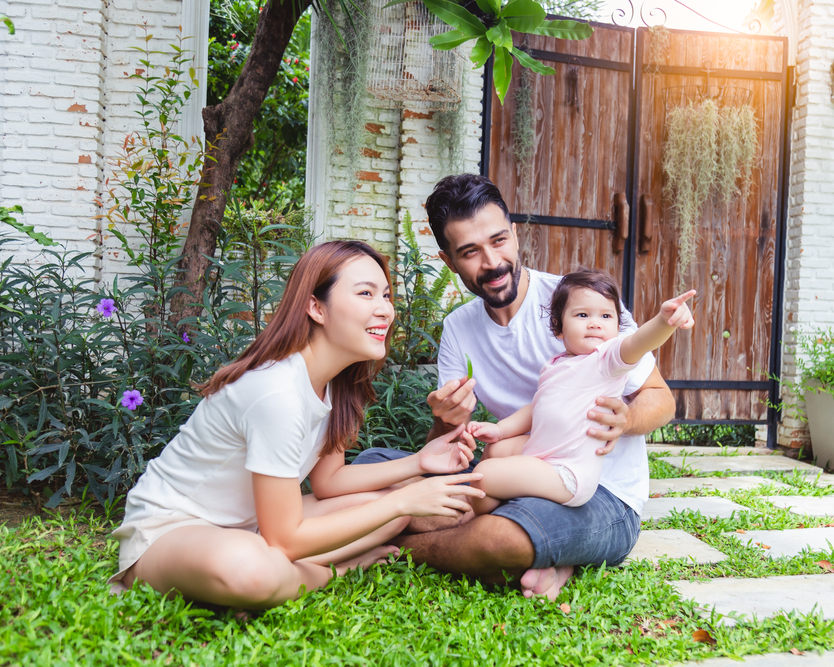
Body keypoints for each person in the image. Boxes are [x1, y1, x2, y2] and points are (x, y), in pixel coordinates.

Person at [109, 240, 484, 609]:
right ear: (315, 308)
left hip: (252, 528)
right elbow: (286, 537)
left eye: (386, 295)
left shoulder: (333, 382)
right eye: (366, 293)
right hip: (169, 532)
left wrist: (418, 463)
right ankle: (326, 573)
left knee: (385, 512)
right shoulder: (276, 392)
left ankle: (279, 576)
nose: (385, 309)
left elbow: (328, 482)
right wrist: (405, 499)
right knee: (249, 569)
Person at [353, 174, 676, 602]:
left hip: (598, 494)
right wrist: (444, 421)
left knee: (501, 538)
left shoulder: (580, 306)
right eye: (470, 252)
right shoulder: (459, 328)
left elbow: (662, 399)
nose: (492, 262)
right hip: (514, 474)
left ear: (515, 234)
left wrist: (627, 417)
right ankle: (544, 556)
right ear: (449, 262)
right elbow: (446, 448)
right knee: (367, 468)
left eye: (499, 240)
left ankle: (393, 543)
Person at [467, 269, 695, 514]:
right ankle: (490, 506)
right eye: (583, 314)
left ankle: (481, 515)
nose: (595, 323)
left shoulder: (608, 361)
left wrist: (664, 322)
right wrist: (499, 429)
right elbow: (536, 408)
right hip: (542, 452)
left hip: (567, 473)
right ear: (558, 327)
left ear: (618, 328)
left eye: (606, 316)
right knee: (496, 449)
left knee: (482, 474)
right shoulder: (555, 364)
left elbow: (640, 341)